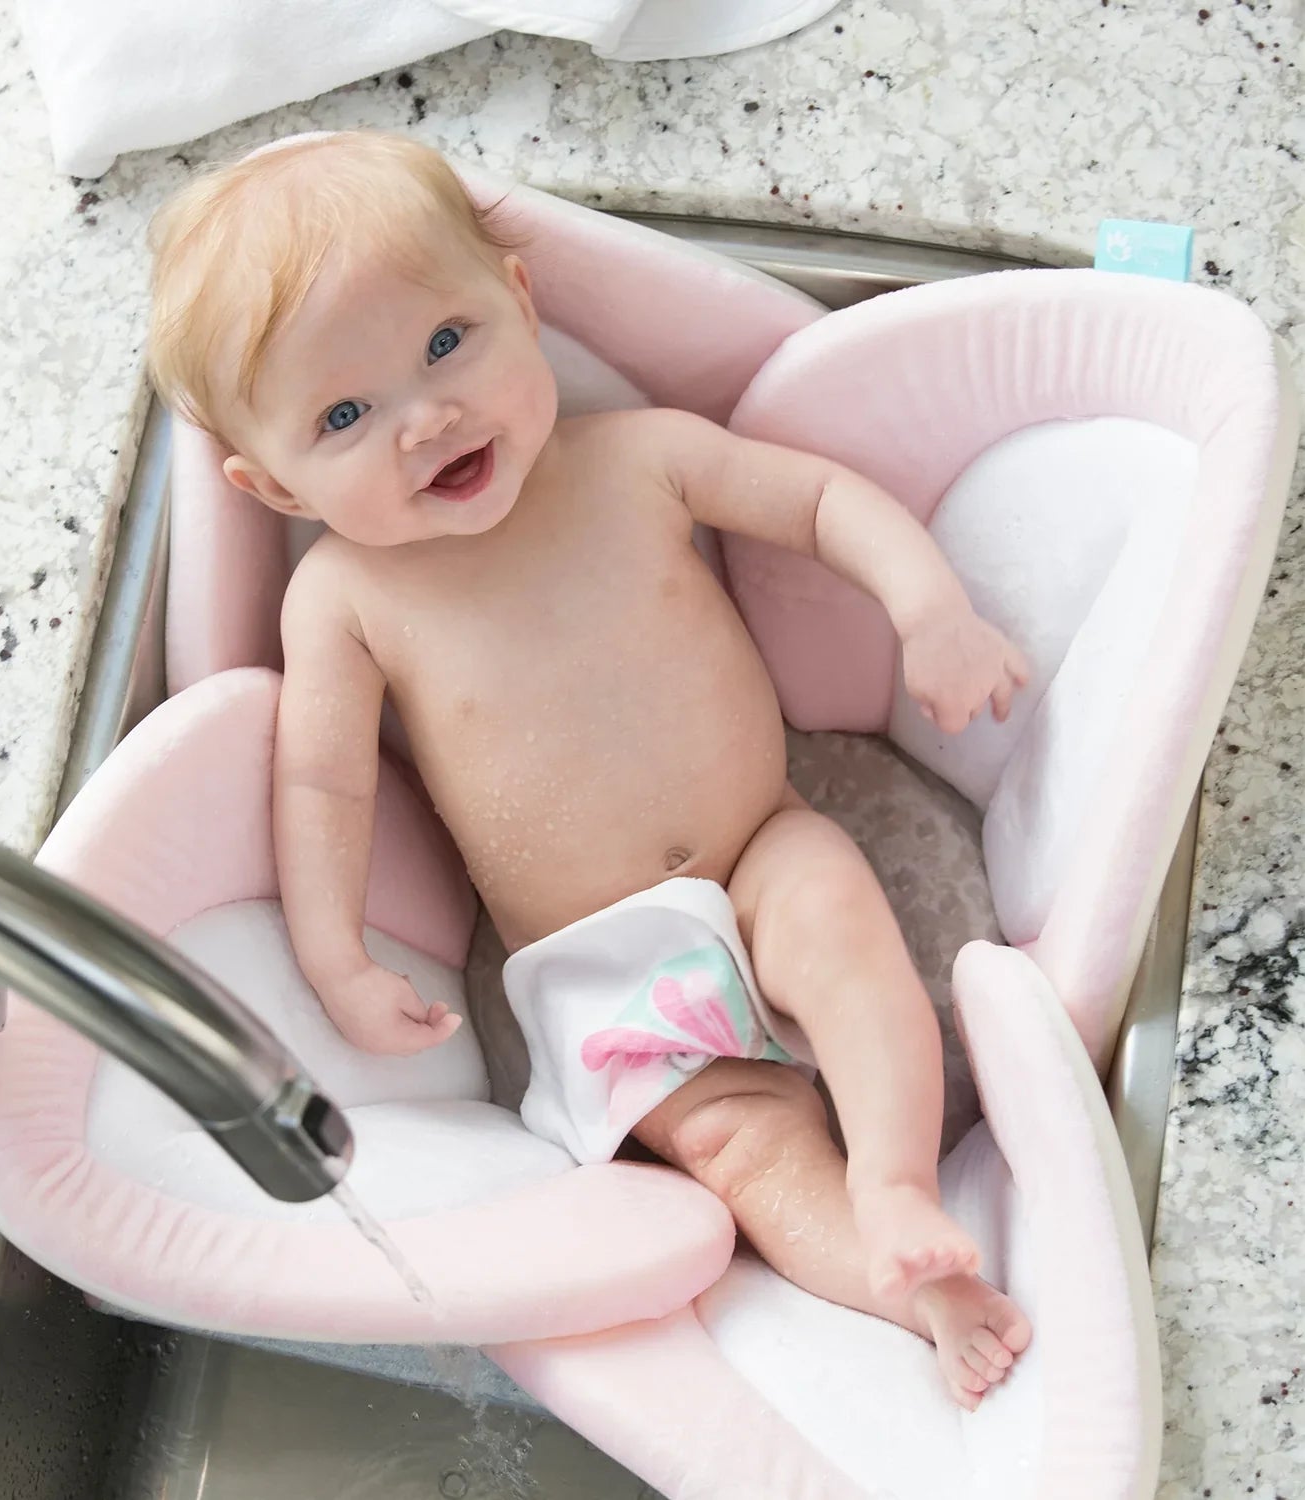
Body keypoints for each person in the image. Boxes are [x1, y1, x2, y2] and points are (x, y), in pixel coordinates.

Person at [148, 131, 1032, 1408]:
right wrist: (337, 957)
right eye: (346, 416)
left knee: (844, 938)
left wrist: (929, 610)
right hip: (603, 961)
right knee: (741, 1149)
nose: (427, 417)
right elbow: (323, 785)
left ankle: (895, 1183)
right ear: (272, 485)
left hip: (759, 841)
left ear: (520, 299)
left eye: (445, 344)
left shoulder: (639, 457)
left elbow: (824, 504)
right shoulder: (342, 597)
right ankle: (899, 1283)